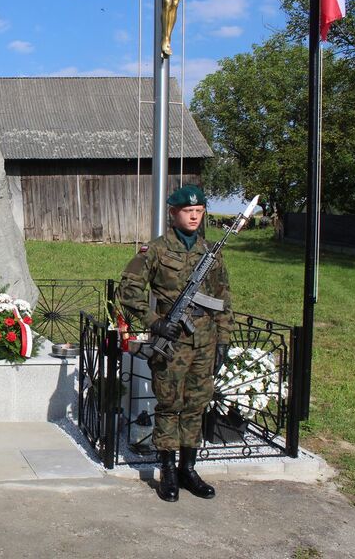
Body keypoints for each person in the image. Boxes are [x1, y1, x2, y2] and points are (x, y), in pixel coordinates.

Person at [117, 184, 233, 502]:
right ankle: (167, 470)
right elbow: (128, 290)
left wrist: (223, 339)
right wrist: (154, 321)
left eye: (199, 211)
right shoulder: (154, 251)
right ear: (173, 213)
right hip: (171, 343)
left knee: (196, 406)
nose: (194, 216)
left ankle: (188, 469)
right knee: (169, 406)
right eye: (187, 211)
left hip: (204, 342)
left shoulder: (211, 253)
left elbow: (222, 298)